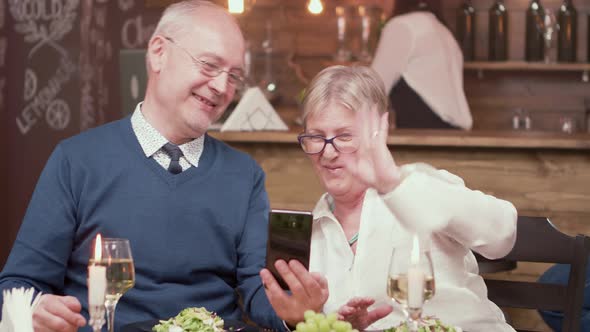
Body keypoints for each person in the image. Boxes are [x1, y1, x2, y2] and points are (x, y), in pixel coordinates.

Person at [0, 1, 283, 331]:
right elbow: (18, 285)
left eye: (234, 76)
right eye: (209, 66)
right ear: (158, 53)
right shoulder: (76, 161)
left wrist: (291, 308)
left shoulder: (246, 176)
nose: (222, 88)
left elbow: (258, 293)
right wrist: (35, 309)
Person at [260, 65, 517, 331]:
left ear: (377, 132)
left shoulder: (420, 186)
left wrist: (392, 183)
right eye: (316, 137)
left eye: (344, 136)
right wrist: (302, 320)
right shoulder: (311, 234)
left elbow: (502, 235)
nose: (328, 153)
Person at [371, 0, 473, 130]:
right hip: (455, 135)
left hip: (424, 136)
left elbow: (372, 91)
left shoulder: (402, 26)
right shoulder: (443, 30)